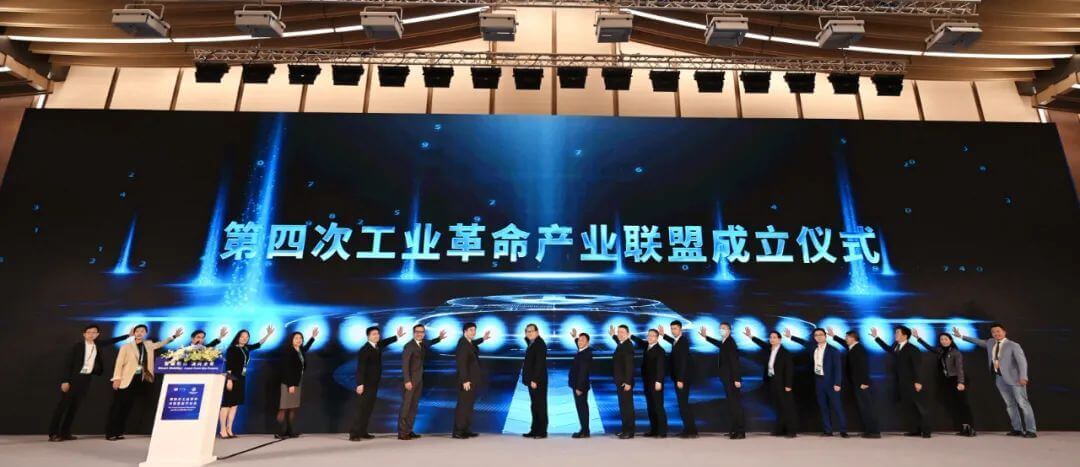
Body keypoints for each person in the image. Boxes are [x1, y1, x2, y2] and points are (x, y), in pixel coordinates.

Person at [49, 325, 131, 442]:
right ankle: (53, 433)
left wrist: (128, 335)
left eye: (94, 332)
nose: (91, 334)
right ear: (84, 334)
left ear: (97, 334)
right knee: (63, 406)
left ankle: (65, 433)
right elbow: (68, 364)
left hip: (86, 378)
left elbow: (111, 341)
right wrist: (65, 380)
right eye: (89, 332)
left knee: (74, 407)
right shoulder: (77, 346)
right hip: (73, 379)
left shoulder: (97, 344)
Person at [955, 323, 1036, 438]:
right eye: (993, 332)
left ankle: (1031, 430)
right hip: (999, 378)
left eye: (998, 331)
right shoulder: (990, 342)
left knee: (1023, 403)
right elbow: (978, 342)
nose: (996, 333)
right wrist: (961, 336)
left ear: (1004, 332)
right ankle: (1017, 429)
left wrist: (1024, 376)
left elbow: (1022, 362)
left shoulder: (1013, 345)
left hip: (1016, 379)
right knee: (1010, 404)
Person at [105, 324, 183, 441]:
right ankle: (111, 433)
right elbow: (119, 363)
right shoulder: (126, 347)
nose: (139, 333)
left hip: (140, 379)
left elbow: (161, 343)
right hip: (126, 379)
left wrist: (174, 336)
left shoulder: (149, 344)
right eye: (137, 331)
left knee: (128, 407)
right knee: (118, 407)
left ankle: (119, 432)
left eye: (142, 331)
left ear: (145, 333)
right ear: (134, 333)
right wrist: (116, 378)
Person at [786, 327, 848, 437]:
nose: (818, 337)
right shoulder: (813, 347)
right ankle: (828, 430)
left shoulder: (833, 350)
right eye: (816, 335)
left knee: (837, 406)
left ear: (825, 336)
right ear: (814, 337)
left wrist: (838, 383)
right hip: (819, 380)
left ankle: (843, 430)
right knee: (823, 407)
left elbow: (838, 368)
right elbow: (803, 342)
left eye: (820, 334)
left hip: (831, 382)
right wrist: (791, 336)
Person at [913, 329, 976, 437]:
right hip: (946, 380)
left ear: (951, 340)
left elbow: (959, 368)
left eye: (946, 339)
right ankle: (962, 428)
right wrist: (918, 338)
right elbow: (930, 348)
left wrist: (961, 382)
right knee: (955, 405)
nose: (943, 341)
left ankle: (969, 429)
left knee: (962, 404)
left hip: (955, 380)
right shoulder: (941, 351)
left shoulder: (956, 352)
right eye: (941, 339)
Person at [872, 326, 930, 438]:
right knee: (909, 407)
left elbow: (917, 366)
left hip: (912, 382)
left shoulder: (912, 349)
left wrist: (918, 381)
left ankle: (926, 431)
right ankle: (915, 430)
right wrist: (876, 337)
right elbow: (888, 349)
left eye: (897, 333)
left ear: (905, 335)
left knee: (918, 407)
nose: (895, 334)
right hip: (902, 382)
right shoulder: (897, 346)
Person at [349, 325, 405, 441]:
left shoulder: (377, 346)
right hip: (365, 384)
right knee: (361, 408)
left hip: (374, 383)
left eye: (378, 334)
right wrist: (360, 384)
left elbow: (385, 342)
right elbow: (361, 368)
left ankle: (363, 431)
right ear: (368, 336)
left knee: (368, 408)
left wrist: (397, 336)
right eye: (374, 334)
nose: (377, 336)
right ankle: (354, 434)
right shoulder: (364, 349)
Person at [220, 325, 274, 439]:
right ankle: (222, 429)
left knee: (234, 404)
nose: (245, 338)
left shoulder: (245, 348)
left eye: (247, 337)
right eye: (242, 336)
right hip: (232, 378)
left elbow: (258, 344)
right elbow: (229, 366)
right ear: (237, 337)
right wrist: (229, 380)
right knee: (227, 404)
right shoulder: (232, 349)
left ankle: (229, 429)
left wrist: (268, 335)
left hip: (241, 378)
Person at [827, 327, 880, 438]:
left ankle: (874, 432)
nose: (845, 339)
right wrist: (834, 336)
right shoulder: (853, 347)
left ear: (853, 338)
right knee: (863, 407)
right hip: (857, 383)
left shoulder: (859, 349)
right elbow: (844, 344)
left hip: (862, 384)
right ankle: (869, 430)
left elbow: (864, 366)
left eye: (847, 337)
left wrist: (865, 382)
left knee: (867, 407)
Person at [398, 324, 446, 440]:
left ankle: (409, 430)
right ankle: (402, 433)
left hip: (419, 380)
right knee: (406, 406)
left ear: (424, 333)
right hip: (410, 381)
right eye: (417, 332)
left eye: (422, 332)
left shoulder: (422, 343)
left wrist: (439, 338)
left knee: (414, 406)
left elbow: (430, 342)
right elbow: (405, 364)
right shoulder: (409, 346)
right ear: (414, 333)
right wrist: (407, 380)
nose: (420, 334)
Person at [747, 328, 797, 438]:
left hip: (783, 383)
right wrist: (751, 336)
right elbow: (762, 344)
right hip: (772, 381)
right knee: (778, 407)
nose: (772, 339)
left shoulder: (785, 352)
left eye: (774, 337)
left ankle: (791, 431)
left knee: (786, 407)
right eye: (770, 337)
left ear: (780, 339)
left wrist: (788, 385)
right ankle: (780, 429)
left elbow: (789, 369)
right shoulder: (770, 349)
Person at [700, 323, 746, 439]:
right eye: (720, 328)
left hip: (732, 379)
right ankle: (734, 429)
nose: (722, 330)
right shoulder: (725, 342)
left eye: (724, 328)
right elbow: (719, 344)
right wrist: (706, 337)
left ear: (729, 330)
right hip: (727, 378)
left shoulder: (731, 343)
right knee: (731, 405)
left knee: (735, 405)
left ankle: (740, 431)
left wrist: (737, 379)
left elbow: (735, 362)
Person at [276, 328, 318, 439]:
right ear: (291, 340)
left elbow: (306, 348)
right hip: (288, 383)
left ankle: (289, 431)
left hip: (297, 382)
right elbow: (286, 369)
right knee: (284, 407)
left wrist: (313, 337)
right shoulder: (288, 351)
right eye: (296, 338)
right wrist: (290, 385)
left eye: (300, 338)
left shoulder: (300, 350)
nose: (299, 340)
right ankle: (279, 432)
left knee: (293, 407)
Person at [657, 321, 697, 438]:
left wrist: (680, 379)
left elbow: (683, 362)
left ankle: (690, 430)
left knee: (683, 404)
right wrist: (663, 335)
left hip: (682, 379)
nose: (673, 330)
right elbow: (673, 342)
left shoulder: (683, 342)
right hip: (679, 378)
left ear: (680, 329)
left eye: (675, 328)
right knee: (682, 404)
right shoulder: (677, 341)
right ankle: (690, 429)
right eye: (672, 329)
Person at [453, 323, 491, 439]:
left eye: (474, 330)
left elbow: (474, 343)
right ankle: (458, 431)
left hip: (472, 380)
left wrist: (483, 339)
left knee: (469, 406)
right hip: (466, 381)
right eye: (470, 330)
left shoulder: (468, 342)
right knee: (463, 406)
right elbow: (461, 364)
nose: (473, 332)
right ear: (465, 331)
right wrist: (465, 380)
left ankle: (466, 429)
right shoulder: (462, 344)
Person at [521, 323, 549, 439]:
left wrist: (534, 379)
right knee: (535, 405)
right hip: (532, 380)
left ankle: (542, 431)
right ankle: (534, 429)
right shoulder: (532, 342)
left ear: (537, 332)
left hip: (537, 381)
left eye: (531, 331)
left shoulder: (540, 344)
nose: (529, 333)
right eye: (527, 331)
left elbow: (539, 364)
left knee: (540, 405)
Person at [609, 324, 636, 439]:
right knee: (623, 407)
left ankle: (629, 431)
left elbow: (630, 366)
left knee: (627, 407)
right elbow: (619, 343)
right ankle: (625, 429)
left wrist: (628, 382)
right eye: (618, 332)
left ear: (628, 334)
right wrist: (613, 336)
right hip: (621, 382)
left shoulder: (628, 346)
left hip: (625, 383)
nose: (620, 334)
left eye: (622, 332)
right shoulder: (623, 344)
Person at [568, 329, 593, 438]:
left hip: (580, 387)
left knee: (582, 408)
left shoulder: (586, 354)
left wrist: (579, 387)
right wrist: (575, 338)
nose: (580, 341)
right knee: (581, 408)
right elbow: (579, 345)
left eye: (583, 340)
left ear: (588, 342)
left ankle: (585, 431)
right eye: (579, 340)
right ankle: (584, 429)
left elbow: (584, 372)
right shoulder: (583, 350)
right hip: (578, 385)